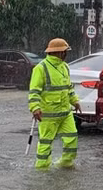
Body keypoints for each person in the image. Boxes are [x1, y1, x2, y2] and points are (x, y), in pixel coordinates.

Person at [28, 38, 81, 170]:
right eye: (65, 51)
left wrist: (75, 101)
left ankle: (66, 163)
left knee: (72, 138)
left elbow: (68, 87)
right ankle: (42, 168)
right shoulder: (41, 68)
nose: (66, 54)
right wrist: (35, 108)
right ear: (59, 52)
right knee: (45, 142)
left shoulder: (65, 67)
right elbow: (34, 91)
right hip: (48, 115)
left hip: (65, 113)